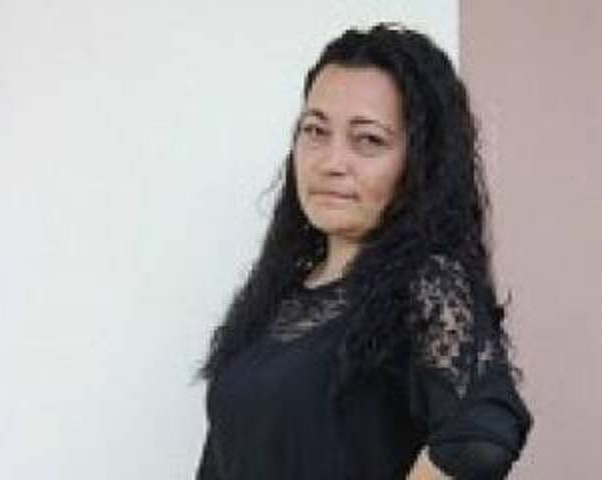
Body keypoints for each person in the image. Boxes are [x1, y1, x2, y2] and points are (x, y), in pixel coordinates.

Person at [192, 22, 533, 479]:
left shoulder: (428, 282)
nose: (331, 162)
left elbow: (478, 440)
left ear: (419, 162)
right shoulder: (275, 296)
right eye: (315, 131)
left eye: (369, 140)